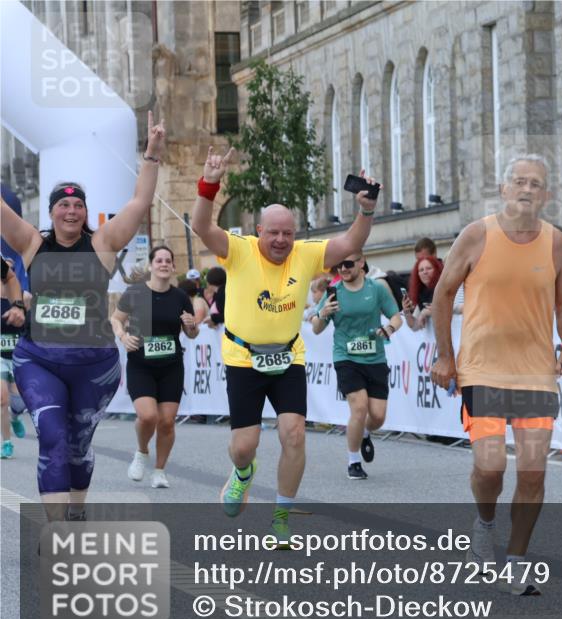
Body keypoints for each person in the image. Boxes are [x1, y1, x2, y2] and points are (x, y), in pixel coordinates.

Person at [191, 145, 377, 543]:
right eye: (273, 232)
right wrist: (209, 184)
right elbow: (202, 228)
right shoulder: (238, 250)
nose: (280, 240)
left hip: (287, 355)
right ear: (259, 231)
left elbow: (349, 244)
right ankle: (243, 473)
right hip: (243, 357)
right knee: (245, 445)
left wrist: (365, 210)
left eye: (288, 234)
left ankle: (281, 515)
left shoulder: (306, 255)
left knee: (294, 433)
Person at [0, 112, 166, 520]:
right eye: (63, 204)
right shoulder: (31, 243)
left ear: (85, 212)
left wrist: (151, 157)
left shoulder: (103, 243)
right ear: (53, 211)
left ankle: (76, 509)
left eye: (78, 205)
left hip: (94, 365)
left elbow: (140, 202)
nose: (71, 211)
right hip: (40, 359)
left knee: (77, 445)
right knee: (53, 438)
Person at [430, 154, 562, 596]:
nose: (527, 189)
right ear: (504, 189)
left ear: (546, 195)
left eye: (536, 184)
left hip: (535, 373)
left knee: (533, 472)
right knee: (490, 467)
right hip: (482, 369)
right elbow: (442, 294)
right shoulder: (476, 235)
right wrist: (445, 357)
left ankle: (515, 561)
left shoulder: (556, 243)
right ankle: (485, 521)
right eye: (519, 181)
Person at [110, 246, 199, 488]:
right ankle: (141, 452)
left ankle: (159, 471)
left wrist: (191, 326)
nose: (163, 264)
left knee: (167, 421)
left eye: (167, 261)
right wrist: (122, 335)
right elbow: (116, 319)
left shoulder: (180, 297)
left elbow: (191, 334)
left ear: (173, 267)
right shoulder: (136, 292)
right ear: (151, 265)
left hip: (171, 366)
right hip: (141, 364)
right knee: (148, 416)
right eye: (158, 260)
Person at [311, 251, 402, 479]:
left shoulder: (377, 289)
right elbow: (316, 327)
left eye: (348, 264)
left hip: (375, 358)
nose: (342, 269)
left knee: (378, 417)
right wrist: (323, 313)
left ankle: (363, 431)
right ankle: (353, 462)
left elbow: (396, 317)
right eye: (339, 265)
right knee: (358, 407)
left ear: (361, 263)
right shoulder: (334, 292)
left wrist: (388, 329)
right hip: (346, 357)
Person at [1, 258, 27, 459]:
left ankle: (16, 417)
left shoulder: (24, 298)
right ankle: (6, 443)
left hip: (19, 356)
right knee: (2, 399)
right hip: (0, 357)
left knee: (19, 403)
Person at [402, 255, 443, 331]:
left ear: (436, 270)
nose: (425, 272)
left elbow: (444, 311)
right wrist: (407, 311)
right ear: (417, 274)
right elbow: (415, 327)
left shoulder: (443, 288)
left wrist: (424, 313)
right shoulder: (421, 293)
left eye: (429, 268)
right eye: (421, 270)